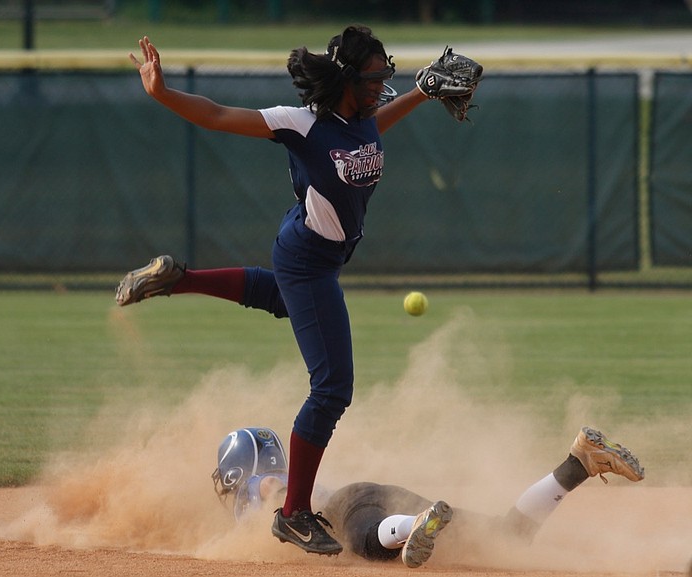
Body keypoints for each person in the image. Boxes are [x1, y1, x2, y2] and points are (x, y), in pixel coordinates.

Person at [120, 25, 479, 556]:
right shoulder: (304, 124)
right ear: (349, 79)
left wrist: (421, 92)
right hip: (308, 259)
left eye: (387, 73)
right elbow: (219, 116)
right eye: (376, 74)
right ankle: (292, 514)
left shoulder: (362, 120)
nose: (384, 82)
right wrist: (164, 94)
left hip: (315, 256)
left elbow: (375, 125)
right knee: (332, 388)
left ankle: (180, 278)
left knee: (282, 301)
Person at [211, 426, 644, 566]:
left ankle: (409, 528)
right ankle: (579, 463)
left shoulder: (261, 483)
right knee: (506, 536)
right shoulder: (284, 473)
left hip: (348, 506)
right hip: (378, 494)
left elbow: (274, 487)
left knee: (360, 541)